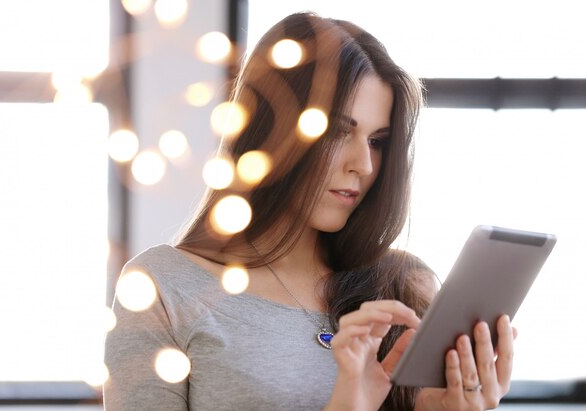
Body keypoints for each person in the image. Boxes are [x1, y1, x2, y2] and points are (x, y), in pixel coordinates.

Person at [103, 11, 516, 411]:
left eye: (377, 141)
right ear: (269, 131)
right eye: (340, 131)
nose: (365, 165)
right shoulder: (165, 287)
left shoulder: (407, 286)